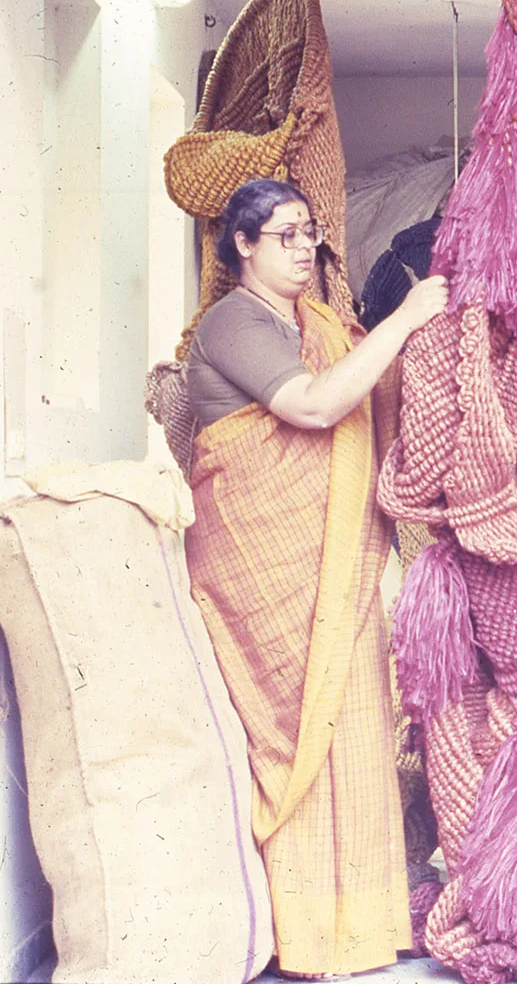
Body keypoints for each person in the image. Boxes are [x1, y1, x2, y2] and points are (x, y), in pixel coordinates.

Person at [182, 178, 447, 980]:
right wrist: (405, 321)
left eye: (310, 236)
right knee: (294, 733)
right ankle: (303, 932)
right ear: (243, 245)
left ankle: (361, 925)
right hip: (264, 567)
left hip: (333, 568)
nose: (304, 250)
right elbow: (314, 407)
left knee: (357, 727)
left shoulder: (317, 323)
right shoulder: (234, 321)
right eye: (286, 235)